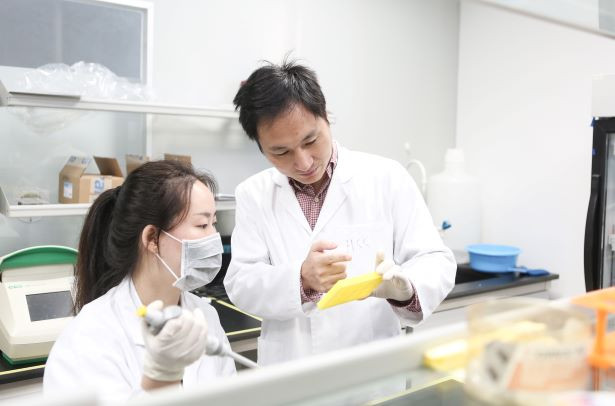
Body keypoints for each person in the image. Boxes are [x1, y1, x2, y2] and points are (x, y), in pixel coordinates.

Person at [225, 59, 456, 366]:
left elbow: (435, 258)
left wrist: (406, 289)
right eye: (281, 152)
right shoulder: (253, 195)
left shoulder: (386, 177)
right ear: (260, 147)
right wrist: (301, 279)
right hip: (291, 369)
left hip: (369, 368)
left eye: (311, 140)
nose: (304, 162)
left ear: (326, 117)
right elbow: (241, 282)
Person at [44, 160, 235, 403]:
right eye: (202, 225)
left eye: (214, 223)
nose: (214, 238)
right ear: (152, 238)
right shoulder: (88, 338)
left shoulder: (205, 316)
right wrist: (160, 379)